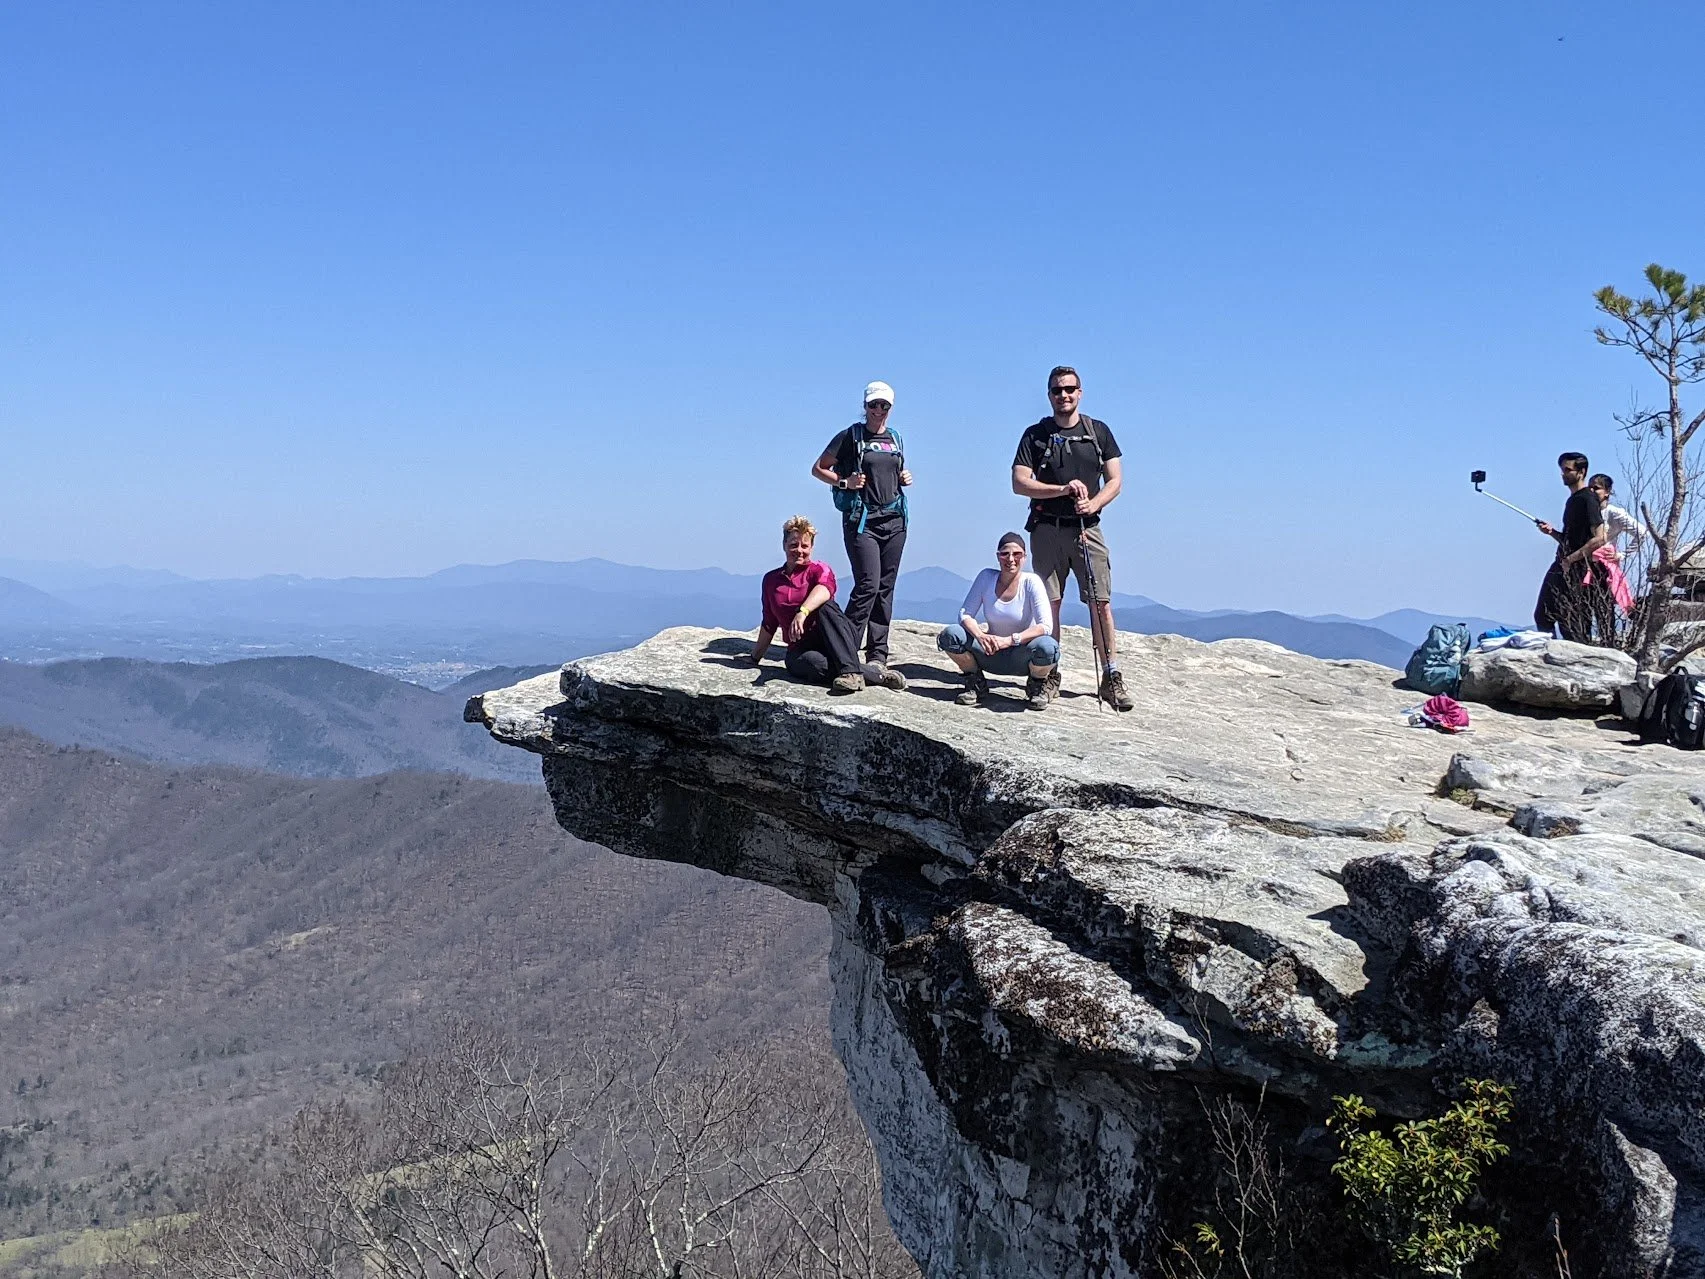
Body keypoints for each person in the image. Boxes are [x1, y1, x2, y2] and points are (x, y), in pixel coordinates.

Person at [1010, 365, 1133, 711]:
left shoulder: (1098, 432)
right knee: (1049, 605)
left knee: (1100, 602)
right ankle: (1048, 674)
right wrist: (1062, 490)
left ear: (1080, 392)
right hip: (1047, 528)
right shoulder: (1035, 435)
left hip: (1086, 528)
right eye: (1057, 390)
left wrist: (1093, 503)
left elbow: (1115, 480)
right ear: (1049, 395)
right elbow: (1019, 482)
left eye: (1069, 389)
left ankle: (1111, 675)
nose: (1063, 395)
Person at [812, 381, 912, 679]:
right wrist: (845, 482)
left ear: (891, 408)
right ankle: (847, 649)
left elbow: (891, 472)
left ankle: (878, 654)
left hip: (895, 519)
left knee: (885, 586)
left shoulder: (895, 438)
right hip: (862, 520)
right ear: (865, 406)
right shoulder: (850, 436)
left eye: (884, 405)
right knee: (868, 583)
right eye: (873, 405)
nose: (879, 410)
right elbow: (819, 468)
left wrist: (904, 477)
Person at [748, 516, 904, 694]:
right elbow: (769, 623)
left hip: (835, 639)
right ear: (784, 545)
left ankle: (851, 673)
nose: (799, 550)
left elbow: (825, 589)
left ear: (811, 548)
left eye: (804, 546)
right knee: (811, 664)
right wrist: (754, 658)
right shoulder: (771, 580)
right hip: (801, 648)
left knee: (825, 607)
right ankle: (875, 675)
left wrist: (803, 612)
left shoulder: (819, 569)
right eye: (793, 545)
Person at [936, 532, 1061, 709]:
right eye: (1005, 554)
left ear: (1024, 557)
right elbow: (965, 614)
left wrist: (1010, 640)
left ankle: (1037, 684)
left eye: (1017, 554)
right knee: (951, 635)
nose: (1010, 559)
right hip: (990, 651)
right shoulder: (986, 577)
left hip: (1022, 654)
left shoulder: (1031, 582)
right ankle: (975, 681)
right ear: (998, 556)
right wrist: (980, 636)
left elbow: (1046, 626)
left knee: (1048, 648)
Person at [1534, 452, 1612, 643]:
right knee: (1544, 615)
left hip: (1576, 568)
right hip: (1563, 563)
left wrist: (1571, 559)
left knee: (1570, 620)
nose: (1563, 474)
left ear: (1581, 472)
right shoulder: (1573, 499)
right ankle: (1551, 653)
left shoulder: (1587, 499)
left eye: (1568, 470)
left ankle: (1576, 654)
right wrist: (1552, 532)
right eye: (1562, 470)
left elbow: (1600, 537)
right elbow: (1572, 539)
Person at [1587, 473, 1640, 618]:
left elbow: (1641, 533)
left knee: (1603, 608)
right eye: (1589, 488)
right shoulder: (1586, 511)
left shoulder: (1613, 513)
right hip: (1585, 563)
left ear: (1607, 492)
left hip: (1603, 566)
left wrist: (1621, 555)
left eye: (1596, 488)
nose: (1591, 491)